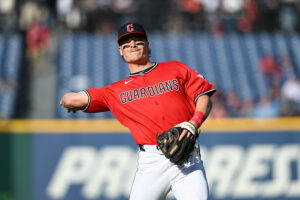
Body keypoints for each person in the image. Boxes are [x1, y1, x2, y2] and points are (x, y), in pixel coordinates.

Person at [60, 22, 216, 200]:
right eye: (127, 43)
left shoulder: (175, 69)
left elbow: (204, 98)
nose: (132, 45)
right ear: (120, 50)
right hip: (151, 162)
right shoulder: (115, 91)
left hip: (187, 159)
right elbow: (70, 98)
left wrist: (194, 123)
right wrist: (68, 103)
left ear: (148, 45)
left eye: (138, 41)